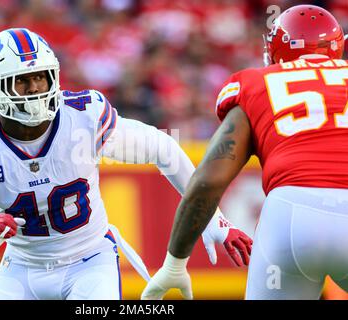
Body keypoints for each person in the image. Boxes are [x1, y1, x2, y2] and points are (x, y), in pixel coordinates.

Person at [0, 28, 252, 300]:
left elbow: (163, 149)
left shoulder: (83, 117)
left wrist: (214, 221)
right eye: (22, 81)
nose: (35, 88)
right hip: (21, 267)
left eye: (40, 76)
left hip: (88, 261)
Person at [142, 4, 348, 300]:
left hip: (290, 216)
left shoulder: (256, 83)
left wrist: (175, 262)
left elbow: (208, 181)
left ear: (277, 49)